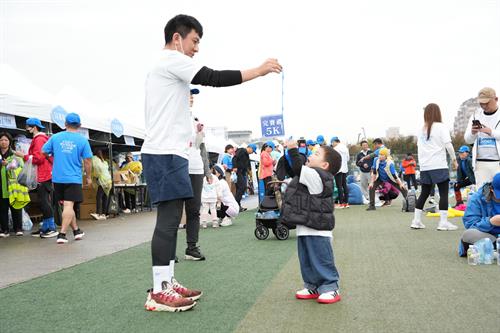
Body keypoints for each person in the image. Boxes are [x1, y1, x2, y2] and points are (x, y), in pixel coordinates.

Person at [140, 14, 282, 312]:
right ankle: (159, 291)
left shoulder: (168, 66)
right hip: (164, 152)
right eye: (194, 41)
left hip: (172, 152)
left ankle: (168, 280)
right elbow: (213, 77)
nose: (196, 48)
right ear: (177, 39)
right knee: (167, 222)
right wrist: (258, 70)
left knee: (172, 217)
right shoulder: (170, 59)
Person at [280, 139, 342, 304]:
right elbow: (292, 169)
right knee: (306, 260)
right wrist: (287, 152)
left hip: (318, 230)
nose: (311, 155)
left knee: (322, 259)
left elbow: (296, 168)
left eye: (316, 154)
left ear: (324, 165)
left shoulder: (317, 175)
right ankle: (312, 285)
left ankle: (330, 287)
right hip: (306, 226)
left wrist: (293, 149)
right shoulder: (311, 174)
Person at [42, 113, 92, 244]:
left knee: (67, 206)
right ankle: (62, 234)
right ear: (80, 126)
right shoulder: (82, 140)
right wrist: (89, 177)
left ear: (65, 124)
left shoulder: (56, 137)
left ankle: (76, 231)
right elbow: (87, 161)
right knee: (69, 206)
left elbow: (43, 151)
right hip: (73, 177)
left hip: (58, 178)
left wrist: (53, 158)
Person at [410, 103, 458, 230]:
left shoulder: (421, 129)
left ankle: (416, 220)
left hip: (425, 166)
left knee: (424, 193)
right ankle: (443, 222)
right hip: (439, 165)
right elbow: (448, 145)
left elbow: (419, 149)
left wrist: (422, 164)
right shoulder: (441, 127)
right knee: (443, 193)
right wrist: (454, 160)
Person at [14, 118, 58, 238]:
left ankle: (51, 227)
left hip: (42, 174)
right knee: (44, 201)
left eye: (28, 127)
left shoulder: (38, 139)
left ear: (34, 127)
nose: (27, 129)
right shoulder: (42, 138)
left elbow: (38, 158)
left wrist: (22, 155)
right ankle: (46, 226)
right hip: (44, 173)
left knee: (44, 201)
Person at [184, 98, 212, 261]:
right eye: (189, 95)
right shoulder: (173, 116)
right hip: (178, 166)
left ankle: (191, 247)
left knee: (194, 210)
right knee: (174, 211)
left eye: (193, 96)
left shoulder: (195, 119)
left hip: (196, 168)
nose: (191, 98)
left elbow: (200, 148)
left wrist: (199, 133)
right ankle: (168, 251)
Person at [464, 87, 500, 187]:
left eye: (487, 102)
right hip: (480, 164)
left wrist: (491, 132)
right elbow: (467, 139)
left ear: (496, 99)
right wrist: (472, 132)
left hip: (498, 164)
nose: (484, 105)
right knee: (483, 197)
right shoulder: (475, 115)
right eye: (481, 103)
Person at [459, 172, 500, 256]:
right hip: (488, 236)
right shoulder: (477, 198)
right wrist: (490, 222)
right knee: (468, 234)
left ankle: (492, 249)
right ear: (491, 189)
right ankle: (494, 247)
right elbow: (471, 225)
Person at [0, 132, 30, 238]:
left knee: (15, 207)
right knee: (2, 208)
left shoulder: (14, 154)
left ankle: (18, 228)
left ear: (9, 142)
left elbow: (22, 166)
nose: (3, 142)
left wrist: (11, 165)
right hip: (1, 186)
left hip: (14, 185)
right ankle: (4, 229)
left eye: (6, 140)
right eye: (1, 140)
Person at [232, 143, 257, 211]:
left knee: (240, 189)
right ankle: (236, 204)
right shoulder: (242, 150)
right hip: (238, 172)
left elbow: (246, 164)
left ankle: (237, 205)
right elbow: (234, 158)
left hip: (242, 172)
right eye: (252, 151)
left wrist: (249, 172)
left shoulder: (246, 154)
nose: (252, 153)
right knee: (242, 187)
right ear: (250, 148)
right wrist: (234, 167)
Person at [90, 149, 112, 220]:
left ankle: (98, 213)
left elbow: (96, 170)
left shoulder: (95, 159)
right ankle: (104, 214)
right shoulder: (104, 161)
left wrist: (94, 176)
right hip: (108, 180)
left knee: (98, 197)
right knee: (105, 197)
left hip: (103, 181)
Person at [331, 137, 349, 209]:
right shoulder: (345, 147)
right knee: (344, 185)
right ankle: (346, 203)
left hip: (338, 169)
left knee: (339, 187)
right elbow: (348, 159)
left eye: (332, 143)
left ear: (335, 142)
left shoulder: (335, 149)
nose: (332, 145)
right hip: (345, 169)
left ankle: (341, 203)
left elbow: (333, 159)